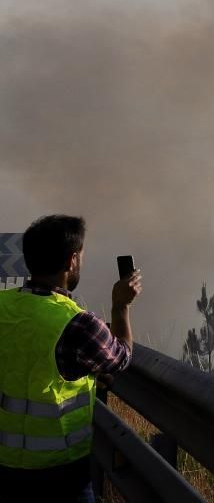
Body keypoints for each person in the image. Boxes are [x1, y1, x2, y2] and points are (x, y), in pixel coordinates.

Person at [0, 215, 142, 502]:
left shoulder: (3, 305)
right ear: (72, 261)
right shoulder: (77, 323)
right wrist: (120, 306)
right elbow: (120, 357)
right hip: (58, 473)